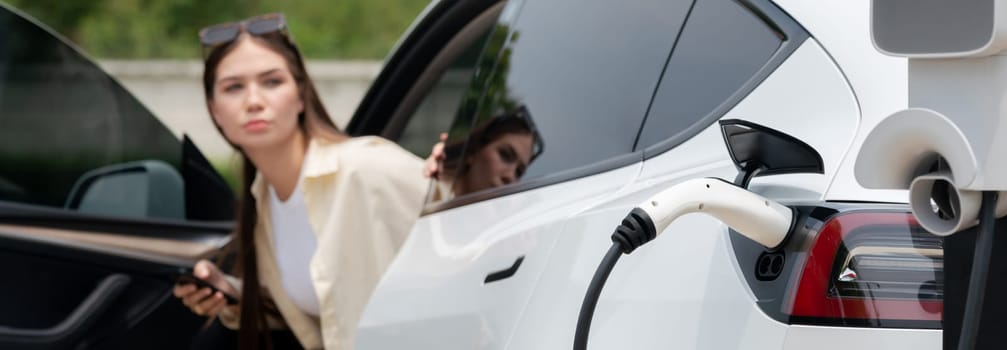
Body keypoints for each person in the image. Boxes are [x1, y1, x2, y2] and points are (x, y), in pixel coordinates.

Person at [172, 13, 427, 350]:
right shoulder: (264, 198)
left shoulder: (366, 167)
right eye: (234, 87)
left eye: (272, 82)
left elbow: (481, 229)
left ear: (301, 94)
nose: (254, 101)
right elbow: (322, 311)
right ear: (215, 110)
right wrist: (235, 294)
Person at [425, 105, 543, 197]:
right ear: (474, 151)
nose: (510, 176)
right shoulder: (421, 187)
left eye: (519, 172)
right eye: (505, 155)